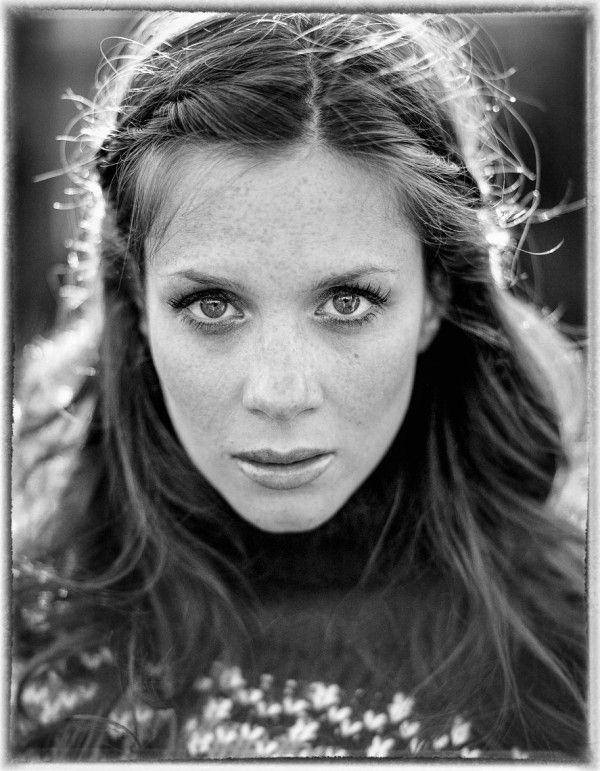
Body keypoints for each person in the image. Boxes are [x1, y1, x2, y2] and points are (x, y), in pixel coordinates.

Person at [11, 11, 587, 761]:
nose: (279, 393)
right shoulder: (28, 649)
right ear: (138, 305)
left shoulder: (570, 665)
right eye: (212, 304)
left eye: (347, 301)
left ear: (436, 297)